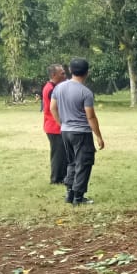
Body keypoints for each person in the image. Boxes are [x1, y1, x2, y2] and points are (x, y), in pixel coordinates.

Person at [50, 57, 104, 205]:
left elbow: (52, 108)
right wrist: (98, 136)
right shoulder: (85, 92)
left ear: (70, 71)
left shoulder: (59, 88)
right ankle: (78, 198)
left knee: (72, 163)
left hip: (66, 131)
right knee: (84, 163)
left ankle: (70, 194)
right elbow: (91, 116)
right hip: (81, 133)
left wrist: (62, 123)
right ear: (87, 72)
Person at [41, 63, 67, 185]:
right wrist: (61, 124)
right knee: (58, 155)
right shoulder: (51, 89)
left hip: (55, 126)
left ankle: (63, 176)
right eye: (62, 73)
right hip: (54, 127)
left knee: (63, 154)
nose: (65, 75)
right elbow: (54, 108)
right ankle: (56, 179)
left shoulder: (53, 87)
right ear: (54, 75)